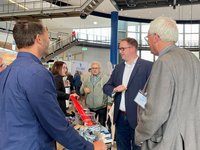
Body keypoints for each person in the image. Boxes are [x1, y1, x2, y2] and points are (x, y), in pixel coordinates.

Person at [0, 19, 107, 150]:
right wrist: (89, 147)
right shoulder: (38, 74)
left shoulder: (6, 73)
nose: (49, 40)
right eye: (47, 35)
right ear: (38, 39)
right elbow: (54, 123)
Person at [135, 17, 200, 150]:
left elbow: (157, 112)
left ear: (156, 37)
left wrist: (140, 134)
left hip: (168, 141)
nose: (148, 43)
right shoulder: (193, 58)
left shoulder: (164, 62)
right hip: (191, 138)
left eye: (148, 38)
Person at [103, 37, 152, 150]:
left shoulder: (148, 66)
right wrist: (115, 89)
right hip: (120, 118)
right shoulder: (119, 68)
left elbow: (153, 91)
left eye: (123, 49)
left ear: (133, 49)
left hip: (139, 119)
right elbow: (106, 87)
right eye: (120, 49)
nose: (120, 52)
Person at [80, 61, 111, 126]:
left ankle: (101, 136)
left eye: (96, 68)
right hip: (90, 107)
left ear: (99, 69)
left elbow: (109, 91)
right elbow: (81, 91)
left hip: (102, 107)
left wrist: (109, 103)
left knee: (101, 125)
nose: (94, 70)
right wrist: (84, 89)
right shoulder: (86, 78)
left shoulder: (105, 78)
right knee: (90, 125)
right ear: (91, 69)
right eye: (93, 68)